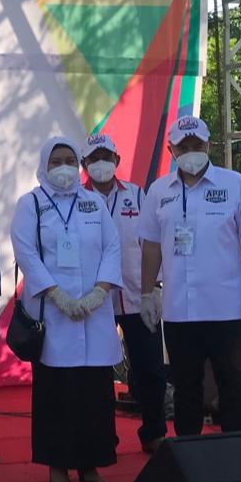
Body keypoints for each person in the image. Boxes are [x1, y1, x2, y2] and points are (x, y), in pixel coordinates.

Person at [138, 116, 241, 437]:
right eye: (183, 147)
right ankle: (189, 457)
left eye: (197, 145)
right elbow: (151, 246)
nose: (191, 152)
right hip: (179, 311)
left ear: (209, 145)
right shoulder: (158, 191)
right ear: (171, 150)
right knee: (186, 390)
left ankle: (236, 454)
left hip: (226, 310)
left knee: (232, 385)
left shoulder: (234, 184)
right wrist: (147, 293)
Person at [12, 137, 124, 482]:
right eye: (56, 161)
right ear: (44, 165)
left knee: (94, 394)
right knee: (56, 393)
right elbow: (26, 253)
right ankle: (57, 465)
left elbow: (112, 247)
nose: (64, 167)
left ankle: (91, 464)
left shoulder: (93, 202)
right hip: (53, 314)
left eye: (69, 160)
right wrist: (56, 294)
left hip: (94, 312)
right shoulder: (31, 204)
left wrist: (100, 292)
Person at [80, 133, 168, 453]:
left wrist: (154, 287)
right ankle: (103, 439)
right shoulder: (76, 199)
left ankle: (154, 433)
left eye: (107, 157)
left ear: (117, 160)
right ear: (84, 164)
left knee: (151, 369)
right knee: (98, 374)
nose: (101, 163)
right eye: (94, 158)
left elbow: (153, 242)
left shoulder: (137, 195)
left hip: (136, 296)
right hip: (95, 300)